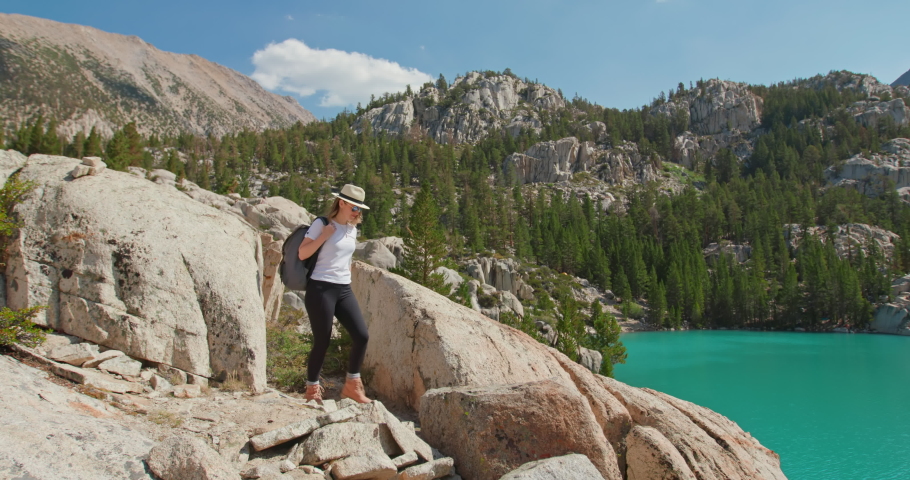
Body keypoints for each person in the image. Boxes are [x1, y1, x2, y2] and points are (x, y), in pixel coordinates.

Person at [297, 184, 371, 404]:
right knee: (322, 340)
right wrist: (324, 236)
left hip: (343, 288)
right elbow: (302, 253)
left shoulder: (352, 229)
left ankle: (352, 386)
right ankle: (312, 391)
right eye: (354, 207)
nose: (357, 212)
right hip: (321, 288)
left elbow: (344, 258)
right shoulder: (322, 224)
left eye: (360, 209)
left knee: (361, 336)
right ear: (342, 203)